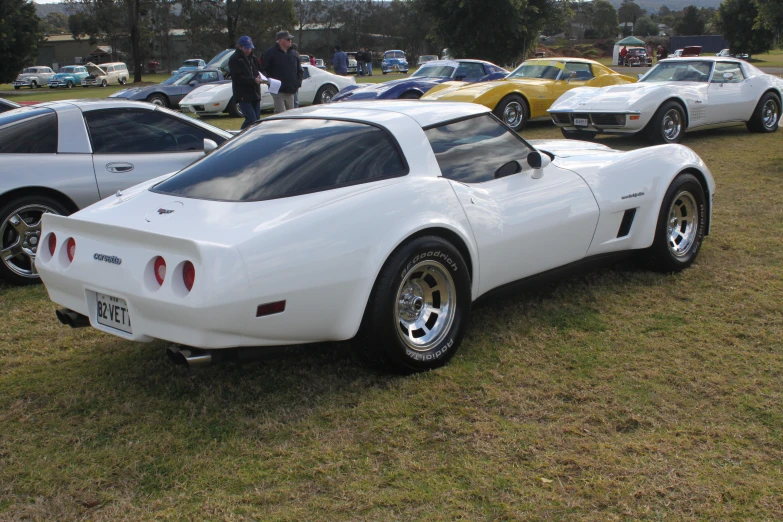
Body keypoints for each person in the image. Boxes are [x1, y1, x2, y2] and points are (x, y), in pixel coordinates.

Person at [261, 30, 303, 114]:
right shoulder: (270, 53)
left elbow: (300, 70)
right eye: (288, 39)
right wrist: (270, 82)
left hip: (291, 91)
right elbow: (264, 70)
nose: (290, 41)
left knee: (291, 115)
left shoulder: (294, 53)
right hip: (278, 91)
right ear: (280, 40)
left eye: (290, 39)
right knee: (281, 114)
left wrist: (297, 84)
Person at [228, 35, 264, 129]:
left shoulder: (253, 58)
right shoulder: (234, 59)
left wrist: (261, 77)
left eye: (250, 48)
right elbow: (237, 78)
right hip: (243, 95)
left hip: (255, 93)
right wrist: (253, 80)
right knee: (251, 119)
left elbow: (259, 71)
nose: (248, 50)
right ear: (240, 47)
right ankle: (240, 136)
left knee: (257, 121)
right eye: (246, 48)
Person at [289, 42, 302, 109]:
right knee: (295, 100)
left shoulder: (295, 56)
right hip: (295, 81)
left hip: (294, 81)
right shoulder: (296, 55)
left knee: (295, 100)